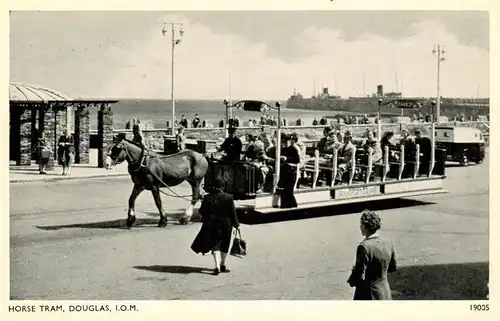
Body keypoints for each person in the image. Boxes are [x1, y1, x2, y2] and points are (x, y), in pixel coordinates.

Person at [192, 178, 240, 275]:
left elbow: (202, 211)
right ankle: (222, 264)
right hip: (226, 224)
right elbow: (233, 212)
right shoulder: (229, 197)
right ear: (222, 187)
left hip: (213, 224)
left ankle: (217, 266)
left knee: (215, 245)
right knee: (225, 244)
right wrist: (236, 224)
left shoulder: (207, 198)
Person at [347, 210, 397, 300]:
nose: (360, 227)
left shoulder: (364, 247)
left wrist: (351, 280)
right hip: (384, 292)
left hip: (368, 294)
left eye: (361, 225)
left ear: (365, 227)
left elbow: (359, 275)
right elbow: (392, 267)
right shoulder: (388, 242)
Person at [277, 134, 301, 208]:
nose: (285, 143)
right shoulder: (283, 149)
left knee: (289, 190)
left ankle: (291, 205)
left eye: (287, 142)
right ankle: (286, 205)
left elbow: (297, 160)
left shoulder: (293, 149)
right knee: (285, 190)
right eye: (284, 142)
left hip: (291, 171)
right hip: (284, 171)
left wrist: (287, 158)